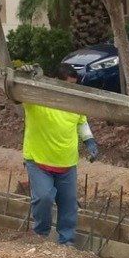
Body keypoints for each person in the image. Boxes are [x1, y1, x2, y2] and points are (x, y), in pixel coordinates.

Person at [21, 63, 98, 247]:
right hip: (39, 160)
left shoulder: (74, 102)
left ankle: (66, 241)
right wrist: (23, 77)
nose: (72, 89)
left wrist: (90, 142)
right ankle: (40, 235)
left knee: (69, 205)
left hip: (67, 163)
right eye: (69, 85)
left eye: (74, 85)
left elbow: (81, 123)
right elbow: (17, 95)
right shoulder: (37, 98)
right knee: (43, 197)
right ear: (57, 82)